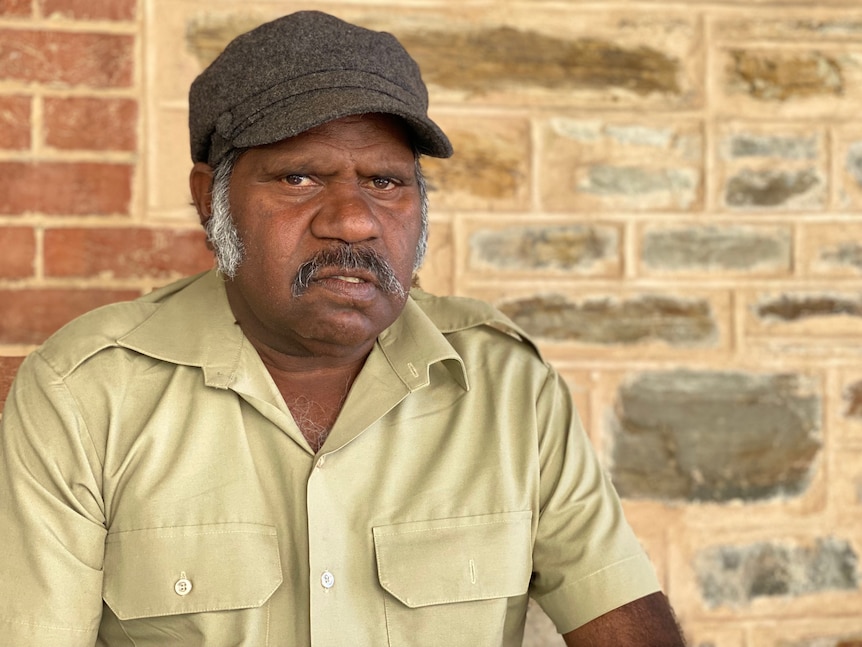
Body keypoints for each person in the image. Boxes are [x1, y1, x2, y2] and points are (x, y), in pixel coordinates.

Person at [0, 10, 686, 647]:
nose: (354, 220)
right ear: (209, 199)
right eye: (299, 177)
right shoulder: (85, 395)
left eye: (386, 182)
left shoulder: (508, 388)